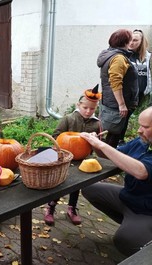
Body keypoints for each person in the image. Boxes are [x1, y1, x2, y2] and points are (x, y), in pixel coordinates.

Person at [79, 106, 152, 256]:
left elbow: (141, 171)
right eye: (139, 125)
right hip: (128, 197)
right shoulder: (142, 141)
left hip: (146, 211)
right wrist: (97, 144)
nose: (139, 130)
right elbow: (114, 155)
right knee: (89, 188)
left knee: (123, 240)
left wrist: (101, 145)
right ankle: (130, 223)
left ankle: (141, 232)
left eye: (145, 127)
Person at [44, 85, 102, 226]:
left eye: (92, 109)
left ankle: (72, 208)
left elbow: (100, 144)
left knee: (77, 185)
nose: (88, 111)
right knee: (61, 183)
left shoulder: (97, 124)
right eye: (85, 108)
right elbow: (55, 136)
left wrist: (95, 139)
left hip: (83, 160)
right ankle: (50, 207)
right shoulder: (68, 119)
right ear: (78, 105)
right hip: (65, 159)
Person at [97, 29, 138, 148]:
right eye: (131, 39)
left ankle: (109, 159)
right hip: (116, 104)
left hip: (112, 101)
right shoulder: (118, 58)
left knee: (113, 134)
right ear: (126, 42)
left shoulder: (111, 54)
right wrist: (121, 104)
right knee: (113, 136)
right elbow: (115, 80)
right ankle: (107, 162)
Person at [129, 29, 151, 105]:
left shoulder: (148, 57)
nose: (131, 43)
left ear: (141, 42)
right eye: (130, 39)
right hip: (129, 96)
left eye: (135, 40)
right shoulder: (124, 56)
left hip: (144, 96)